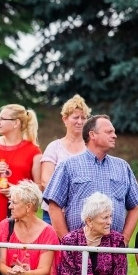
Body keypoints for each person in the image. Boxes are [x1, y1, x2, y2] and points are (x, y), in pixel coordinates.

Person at [44, 114, 138, 242]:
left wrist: (124, 240)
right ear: (92, 135)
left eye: (114, 132)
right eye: (109, 132)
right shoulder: (68, 165)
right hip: (79, 249)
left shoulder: (122, 167)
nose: (114, 135)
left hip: (113, 251)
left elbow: (134, 207)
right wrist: (67, 242)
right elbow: (54, 206)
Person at [0, 104, 41, 235]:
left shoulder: (33, 150)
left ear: (16, 123)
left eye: (2, 119)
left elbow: (39, 187)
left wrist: (17, 191)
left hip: (19, 214)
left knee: (14, 252)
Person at [40, 95, 91, 224]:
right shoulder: (54, 147)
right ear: (65, 119)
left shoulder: (91, 148)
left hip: (83, 214)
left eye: (83, 118)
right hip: (53, 212)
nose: (80, 122)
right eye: (75, 117)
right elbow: (46, 181)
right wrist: (60, 206)